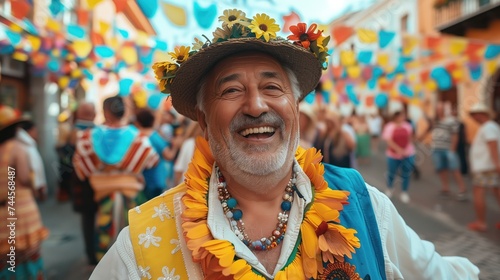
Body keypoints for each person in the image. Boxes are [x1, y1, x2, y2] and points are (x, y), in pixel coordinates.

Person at [90, 10, 478, 279]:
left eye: (272, 87)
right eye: (231, 90)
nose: (257, 105)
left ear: (295, 109)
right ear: (205, 124)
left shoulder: (366, 205)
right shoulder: (141, 245)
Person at [73, 96, 159, 261]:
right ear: (123, 111)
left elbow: (80, 169)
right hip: (131, 191)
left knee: (105, 228)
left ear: (105, 112)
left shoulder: (88, 137)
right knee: (133, 231)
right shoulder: (138, 137)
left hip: (103, 192)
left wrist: (103, 168)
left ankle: (105, 265)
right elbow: (152, 160)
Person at [0, 106, 49, 279]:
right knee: (28, 250)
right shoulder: (17, 148)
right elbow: (24, 178)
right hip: (21, 207)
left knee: (7, 254)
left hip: (3, 211)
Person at [69, 102, 98, 265]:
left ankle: (91, 254)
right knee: (100, 216)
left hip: (80, 181)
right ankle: (100, 250)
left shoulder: (72, 132)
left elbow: (66, 158)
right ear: (93, 114)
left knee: (87, 219)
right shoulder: (98, 131)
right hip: (98, 181)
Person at [467, 103, 500, 232]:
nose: (474, 118)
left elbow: (492, 145)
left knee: (479, 192)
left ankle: (481, 222)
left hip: (485, 167)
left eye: (475, 115)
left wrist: (497, 164)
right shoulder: (491, 126)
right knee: (496, 191)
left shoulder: (488, 127)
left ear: (481, 114)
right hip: (488, 166)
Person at [429, 103, 468, 200]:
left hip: (448, 148)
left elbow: (455, 135)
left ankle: (462, 189)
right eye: (437, 109)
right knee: (441, 168)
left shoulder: (451, 121)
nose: (439, 111)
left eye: (440, 109)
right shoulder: (435, 121)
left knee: (455, 168)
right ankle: (445, 187)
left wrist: (452, 149)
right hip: (437, 148)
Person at [382, 111, 416, 203]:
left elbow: (410, 138)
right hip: (393, 155)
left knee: (406, 173)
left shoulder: (407, 126)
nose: (403, 118)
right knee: (392, 172)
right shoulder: (389, 126)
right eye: (401, 116)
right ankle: (389, 187)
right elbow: (389, 140)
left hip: (407, 153)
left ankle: (404, 191)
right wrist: (398, 150)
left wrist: (407, 150)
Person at [17, 120, 47, 201]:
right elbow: (33, 168)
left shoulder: (28, 144)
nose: (36, 133)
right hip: (30, 187)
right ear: (29, 131)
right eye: (35, 130)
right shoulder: (24, 146)